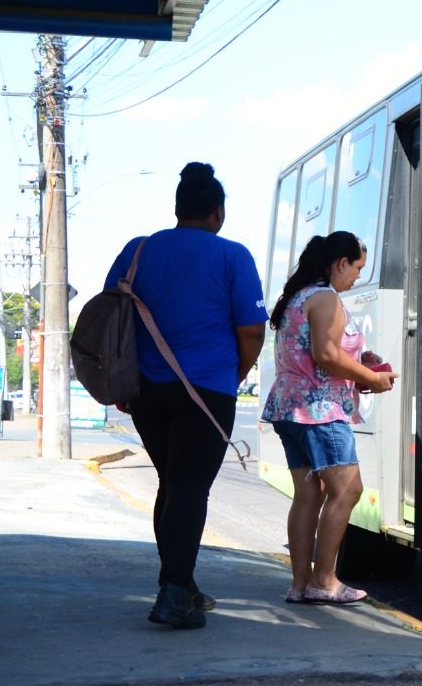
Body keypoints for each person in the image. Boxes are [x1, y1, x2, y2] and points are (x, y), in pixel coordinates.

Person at [103, 162, 267, 630]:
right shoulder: (233, 256)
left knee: (172, 484)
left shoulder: (138, 251)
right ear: (217, 211)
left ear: (177, 210)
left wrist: (124, 380)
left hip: (148, 393)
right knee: (190, 488)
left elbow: (113, 318)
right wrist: (231, 378)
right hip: (208, 391)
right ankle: (174, 593)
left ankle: (181, 584)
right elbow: (252, 330)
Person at [261, 232, 396, 605]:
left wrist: (361, 363)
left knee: (308, 495)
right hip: (319, 411)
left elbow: (322, 353)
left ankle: (301, 584)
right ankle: (324, 579)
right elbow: (325, 354)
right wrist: (371, 378)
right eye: (357, 268)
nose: (356, 277)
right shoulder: (326, 298)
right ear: (340, 263)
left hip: (291, 408)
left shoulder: (298, 297)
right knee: (348, 490)